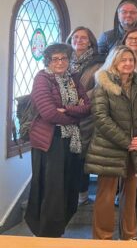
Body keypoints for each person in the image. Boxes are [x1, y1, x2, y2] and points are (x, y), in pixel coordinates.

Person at [86, 45, 137, 240]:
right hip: (109, 148)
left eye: (131, 60)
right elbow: (101, 118)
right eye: (123, 60)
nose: (128, 63)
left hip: (135, 148)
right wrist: (127, 141)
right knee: (106, 197)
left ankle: (129, 236)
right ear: (114, 61)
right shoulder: (103, 85)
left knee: (130, 194)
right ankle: (103, 238)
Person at [25, 43, 91, 237]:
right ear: (48, 61)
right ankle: (46, 234)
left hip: (71, 141)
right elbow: (48, 113)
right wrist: (75, 115)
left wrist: (68, 110)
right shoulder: (42, 79)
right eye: (55, 59)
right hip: (49, 142)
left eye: (63, 58)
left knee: (69, 188)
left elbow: (87, 107)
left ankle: (58, 231)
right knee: (51, 190)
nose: (60, 62)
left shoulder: (73, 80)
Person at [65, 27, 104, 206]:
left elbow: (99, 87)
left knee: (82, 157)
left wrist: (80, 102)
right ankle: (66, 192)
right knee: (66, 156)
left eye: (83, 38)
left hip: (86, 116)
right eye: (76, 37)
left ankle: (82, 193)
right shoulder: (62, 60)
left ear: (90, 42)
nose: (79, 40)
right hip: (63, 116)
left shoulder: (98, 62)